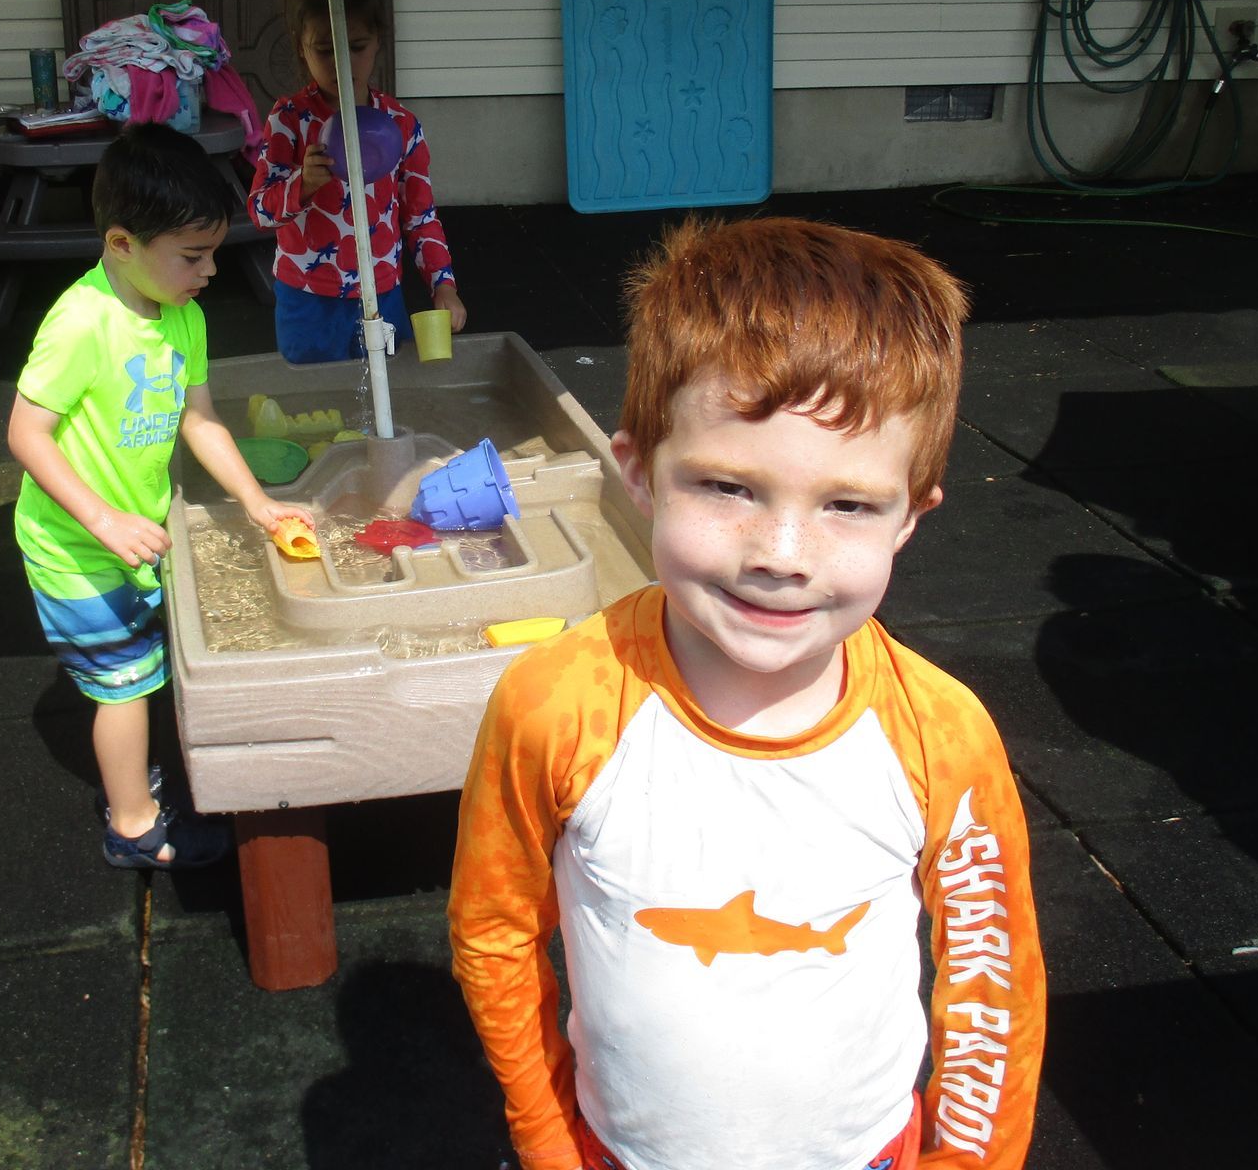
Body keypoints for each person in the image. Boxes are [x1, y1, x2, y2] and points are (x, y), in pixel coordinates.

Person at [448, 217, 1046, 1170]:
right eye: (727, 487)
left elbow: (990, 979)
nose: (780, 557)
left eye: (848, 505)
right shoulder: (554, 706)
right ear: (640, 473)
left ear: (911, 517)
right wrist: (548, 1134)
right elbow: (494, 931)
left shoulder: (941, 734)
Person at [9, 121, 300, 869]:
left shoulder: (183, 317)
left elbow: (199, 421)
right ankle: (133, 825)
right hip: (75, 545)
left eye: (211, 253)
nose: (208, 273)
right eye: (192, 257)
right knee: (122, 686)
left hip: (135, 532)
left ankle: (136, 777)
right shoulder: (80, 323)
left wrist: (256, 504)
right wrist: (102, 519)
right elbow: (26, 435)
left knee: (143, 663)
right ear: (122, 244)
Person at [247, 0, 467, 364]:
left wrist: (444, 284)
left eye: (357, 47)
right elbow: (260, 210)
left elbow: (420, 215)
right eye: (325, 50)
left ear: (379, 39)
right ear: (300, 44)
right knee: (314, 406)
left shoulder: (401, 124)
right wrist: (303, 185)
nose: (342, 64)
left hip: (383, 293)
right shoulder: (290, 120)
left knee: (385, 401)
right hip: (308, 298)